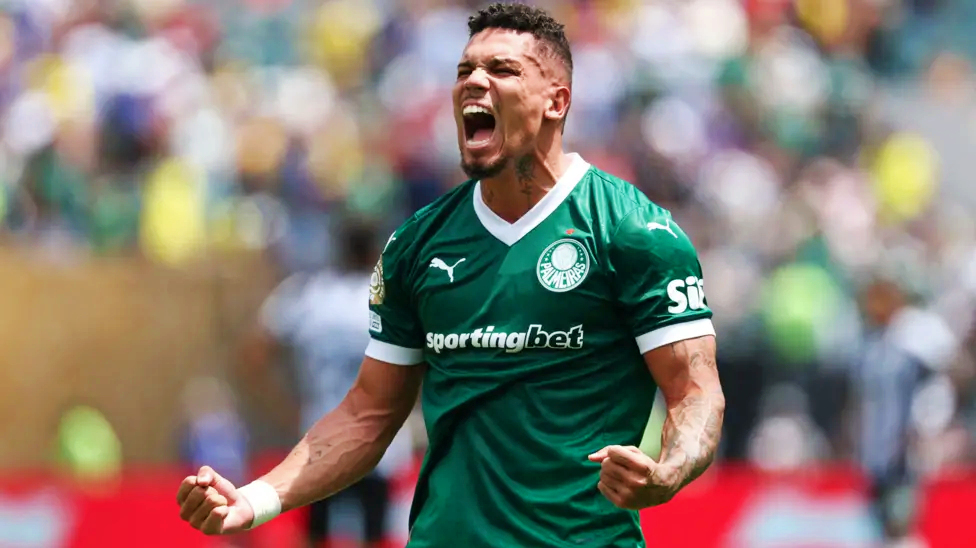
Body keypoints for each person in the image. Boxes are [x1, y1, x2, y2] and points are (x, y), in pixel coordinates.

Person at [176, 4, 725, 547]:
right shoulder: (418, 245)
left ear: (556, 102)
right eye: (465, 70)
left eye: (502, 69)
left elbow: (696, 393)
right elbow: (369, 412)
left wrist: (668, 471)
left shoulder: (632, 231)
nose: (474, 82)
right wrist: (256, 499)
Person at [236, 218, 414, 548]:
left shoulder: (308, 295)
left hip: (319, 433)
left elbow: (253, 354)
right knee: (375, 535)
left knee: (315, 535)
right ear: (375, 252)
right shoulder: (390, 297)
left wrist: (284, 407)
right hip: (379, 438)